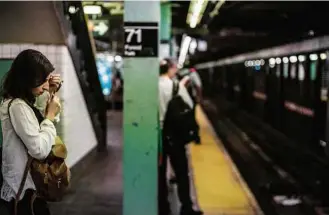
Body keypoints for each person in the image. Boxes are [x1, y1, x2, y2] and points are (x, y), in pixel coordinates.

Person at [0, 49, 62, 215]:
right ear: (27, 80)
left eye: (46, 79)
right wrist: (50, 116)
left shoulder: (22, 102)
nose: (44, 85)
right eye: (41, 81)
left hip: (28, 189)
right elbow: (39, 149)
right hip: (23, 193)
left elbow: (38, 123)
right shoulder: (18, 106)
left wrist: (51, 92)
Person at [158, 58, 203, 215]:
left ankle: (162, 205)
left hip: (157, 134)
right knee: (182, 172)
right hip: (175, 135)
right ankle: (186, 207)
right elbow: (189, 106)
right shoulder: (176, 86)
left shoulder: (151, 87)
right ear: (170, 69)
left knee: (160, 171)